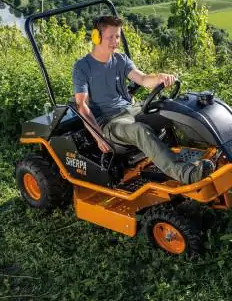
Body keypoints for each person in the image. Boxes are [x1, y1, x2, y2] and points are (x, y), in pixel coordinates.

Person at [71, 15, 215, 184]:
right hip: (110, 123)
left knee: (171, 109)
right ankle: (187, 174)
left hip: (132, 110)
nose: (116, 42)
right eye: (111, 37)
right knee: (139, 130)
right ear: (97, 37)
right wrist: (99, 137)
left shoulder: (120, 59)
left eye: (118, 36)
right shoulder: (82, 67)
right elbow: (82, 106)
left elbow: (144, 79)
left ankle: (215, 149)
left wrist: (160, 77)